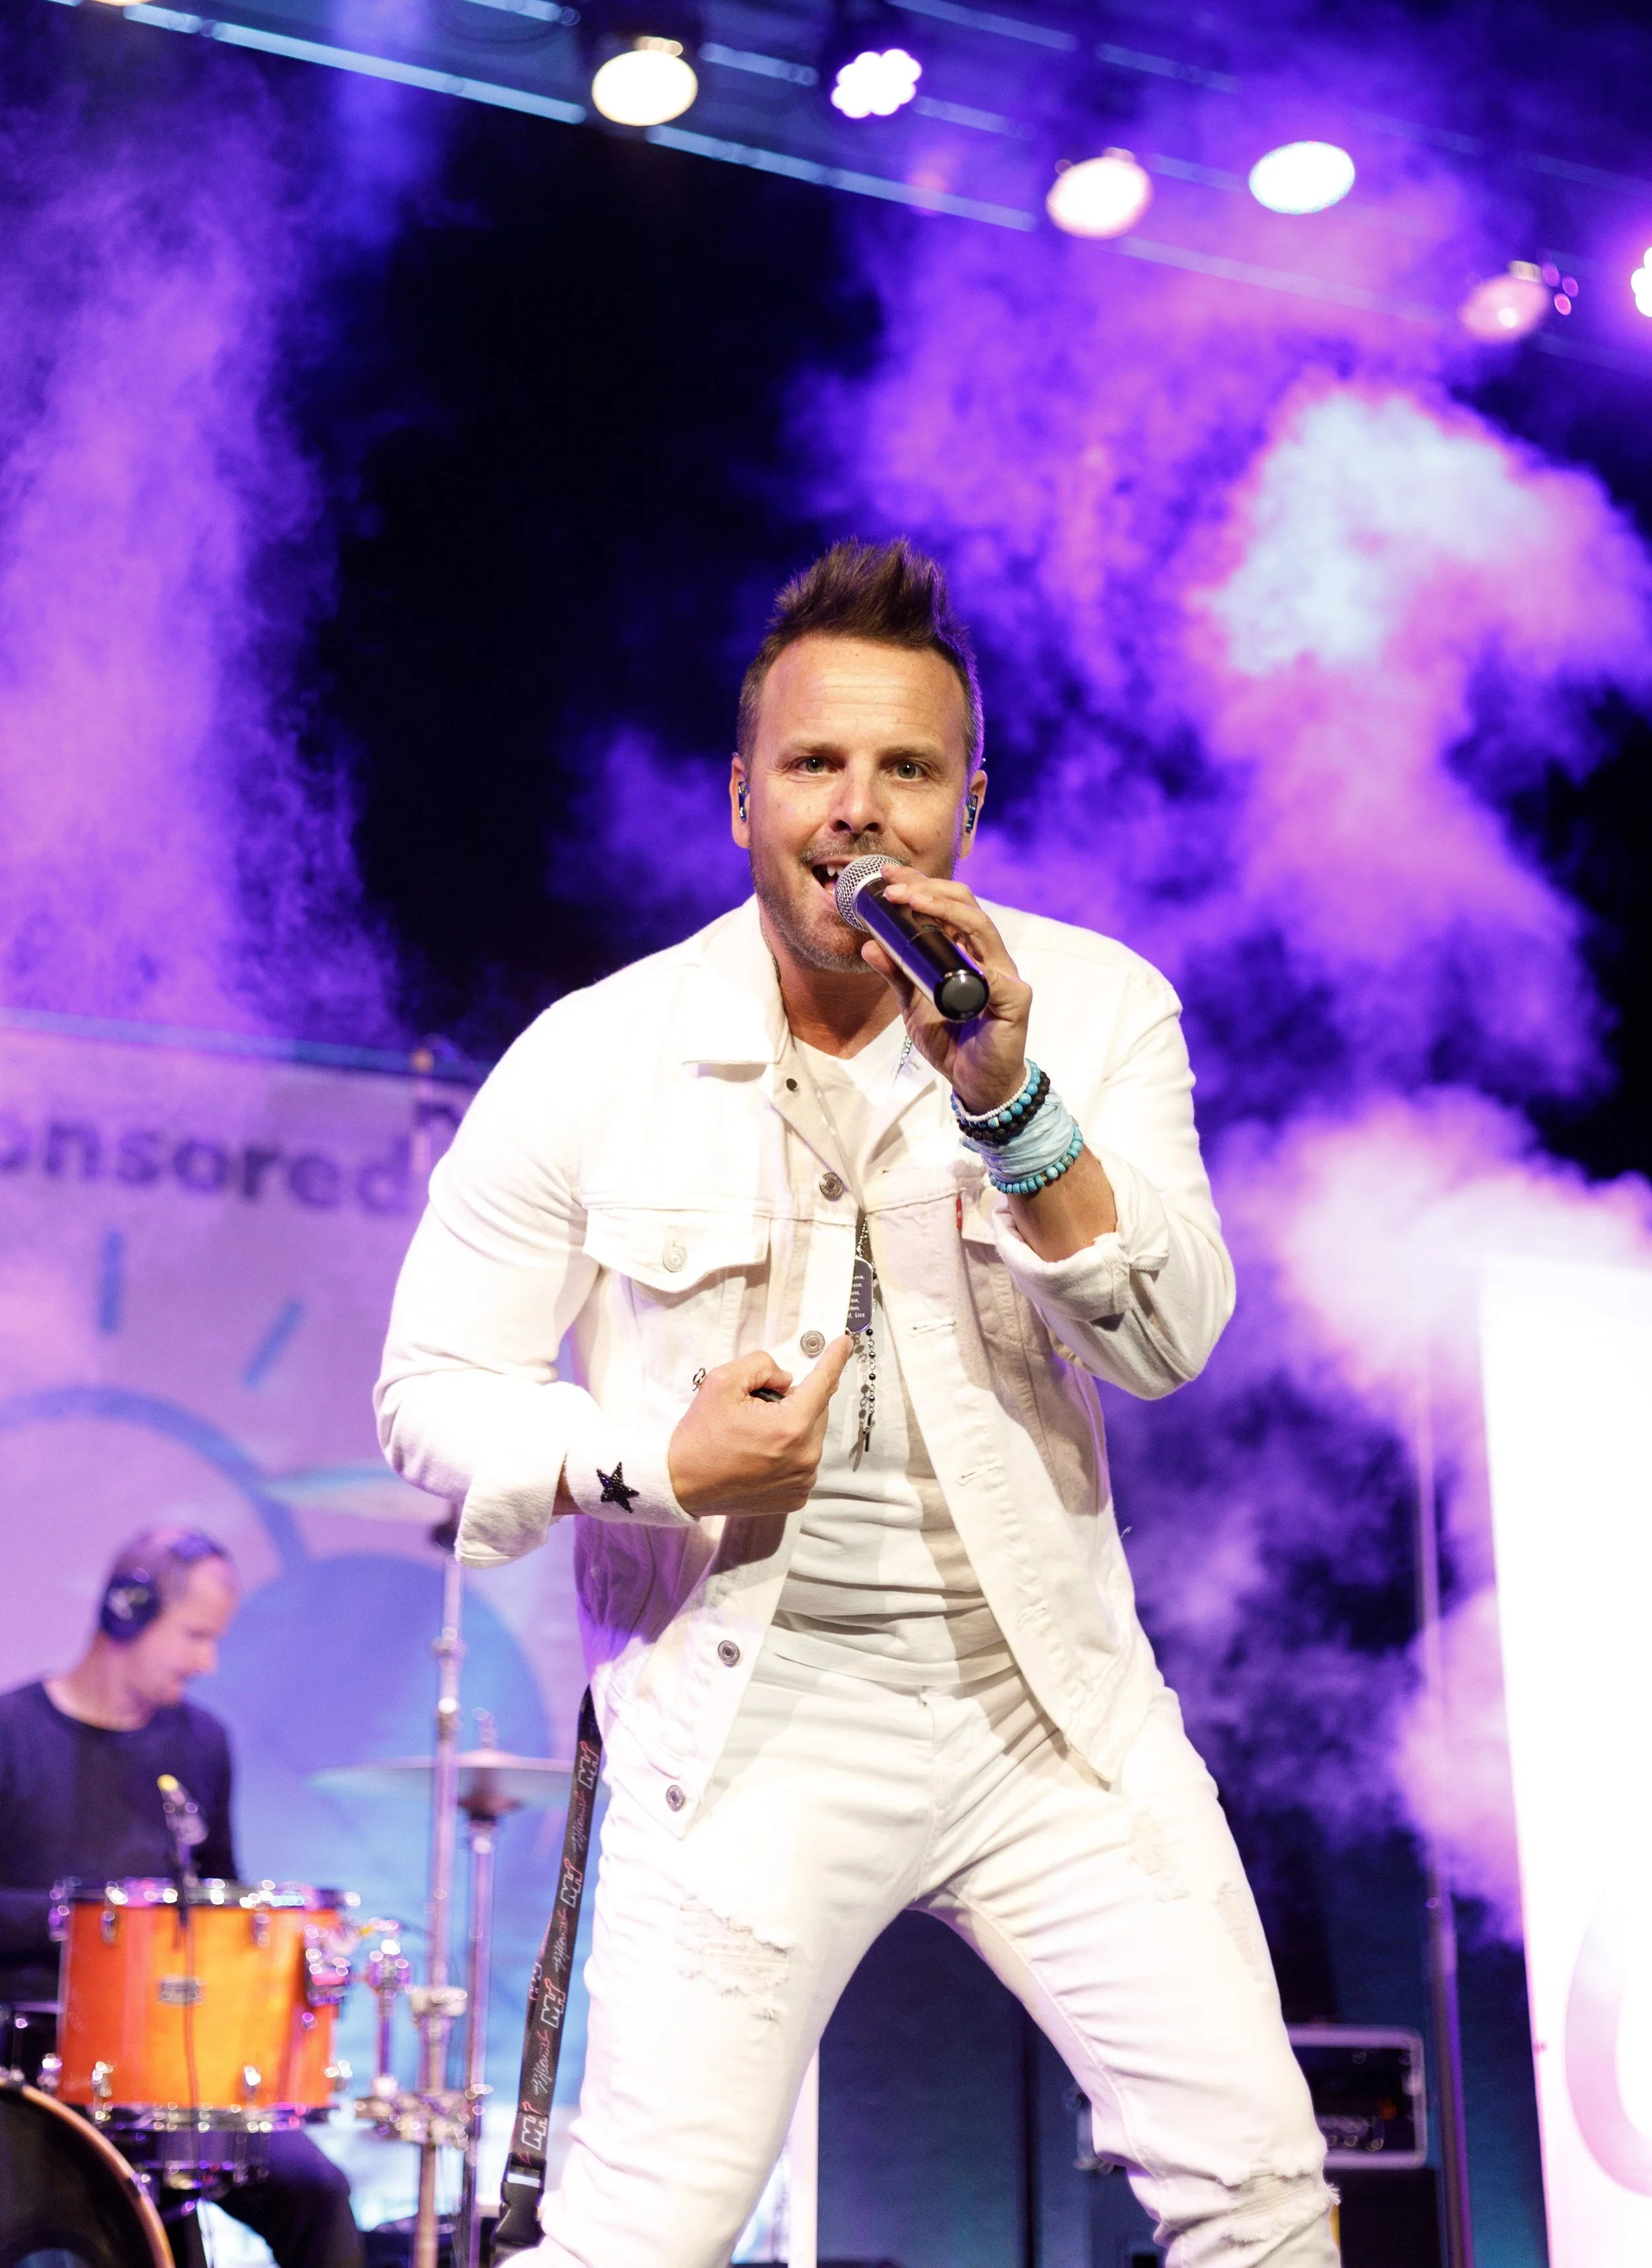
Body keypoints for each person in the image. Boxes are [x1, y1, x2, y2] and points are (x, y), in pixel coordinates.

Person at [375, 539, 1337, 2268]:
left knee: (1259, 2198)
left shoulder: (1093, 1008)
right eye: (815, 764)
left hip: (1050, 1709)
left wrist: (1012, 1099)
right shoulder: (597, 1055)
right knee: (635, 2243)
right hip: (748, 1718)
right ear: (741, 794)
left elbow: (1167, 1337)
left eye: (905, 768)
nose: (857, 810)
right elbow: (426, 1392)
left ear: (968, 800)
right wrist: (653, 1459)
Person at [0, 1527, 361, 2268]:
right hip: (37, 2073)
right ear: (127, 1611)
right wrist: (87, 1922)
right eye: (194, 1636)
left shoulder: (200, 1742)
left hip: (179, 2070)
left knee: (317, 2193)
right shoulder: (11, 1733)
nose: (206, 1662)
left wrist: (299, 1954)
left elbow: (223, 1899)